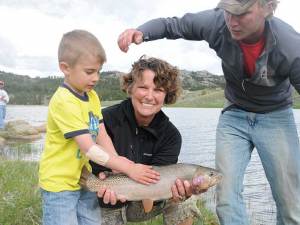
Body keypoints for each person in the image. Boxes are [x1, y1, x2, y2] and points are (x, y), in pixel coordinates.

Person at [117, 0, 300, 224]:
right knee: (226, 198)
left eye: (241, 13)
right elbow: (173, 25)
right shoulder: (216, 23)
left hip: (276, 115)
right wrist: (142, 31)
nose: (232, 21)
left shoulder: (291, 46)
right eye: (228, 12)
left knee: (291, 202)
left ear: (268, 7)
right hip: (234, 114)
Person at [38, 30, 160, 225]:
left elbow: (101, 136)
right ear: (65, 68)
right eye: (89, 72)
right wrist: (129, 168)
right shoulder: (64, 101)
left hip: (83, 178)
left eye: (98, 71)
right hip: (59, 185)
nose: (95, 78)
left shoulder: (92, 97)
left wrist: (116, 170)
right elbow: (90, 148)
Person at [91, 56, 201, 225]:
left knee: (185, 201)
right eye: (143, 87)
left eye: (158, 90)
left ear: (167, 95)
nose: (149, 96)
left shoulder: (171, 136)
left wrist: (179, 192)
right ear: (131, 88)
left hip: (143, 202)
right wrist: (103, 181)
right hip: (104, 201)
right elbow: (94, 165)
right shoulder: (105, 120)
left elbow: (159, 182)